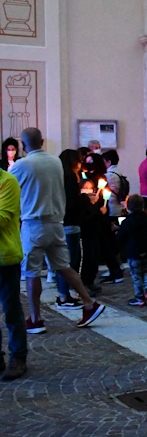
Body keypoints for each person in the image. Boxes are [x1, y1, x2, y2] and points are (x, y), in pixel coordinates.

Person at [10, 128, 106, 332]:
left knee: (32, 272)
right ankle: (89, 303)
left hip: (33, 223)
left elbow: (8, 187)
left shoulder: (22, 165)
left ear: (23, 145)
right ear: (42, 141)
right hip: (56, 222)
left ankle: (35, 318)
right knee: (64, 266)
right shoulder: (55, 162)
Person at [0, 166, 28, 380]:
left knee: (11, 308)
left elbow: (3, 218)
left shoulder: (7, 181)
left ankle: (18, 356)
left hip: (5, 257)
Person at [54, 150, 85, 310]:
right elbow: (72, 202)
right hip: (70, 222)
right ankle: (64, 295)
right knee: (70, 260)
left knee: (64, 259)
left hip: (60, 221)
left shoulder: (58, 176)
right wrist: (85, 198)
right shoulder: (70, 178)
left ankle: (64, 293)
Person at [117, 194, 147, 306]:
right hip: (146, 250)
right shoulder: (146, 219)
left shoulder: (127, 221)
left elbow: (121, 237)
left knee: (136, 275)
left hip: (133, 251)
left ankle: (139, 296)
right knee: (145, 272)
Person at [100, 150, 125, 284]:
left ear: (108, 162)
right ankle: (118, 263)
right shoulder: (118, 172)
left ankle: (116, 265)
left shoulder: (109, 175)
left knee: (111, 240)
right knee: (114, 239)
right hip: (117, 208)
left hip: (110, 209)